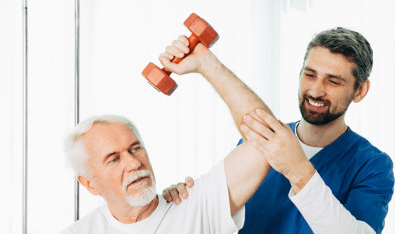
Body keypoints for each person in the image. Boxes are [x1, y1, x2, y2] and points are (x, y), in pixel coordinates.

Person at [60, 32, 304, 233]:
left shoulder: (195, 204)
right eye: (114, 159)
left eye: (135, 148)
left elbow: (269, 136)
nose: (134, 163)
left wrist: (205, 63)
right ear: (90, 184)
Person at [164, 27, 395, 234]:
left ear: (360, 91)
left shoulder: (372, 166)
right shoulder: (263, 143)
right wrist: (184, 201)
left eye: (333, 81)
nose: (315, 90)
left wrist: (298, 169)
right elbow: (216, 213)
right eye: (310, 74)